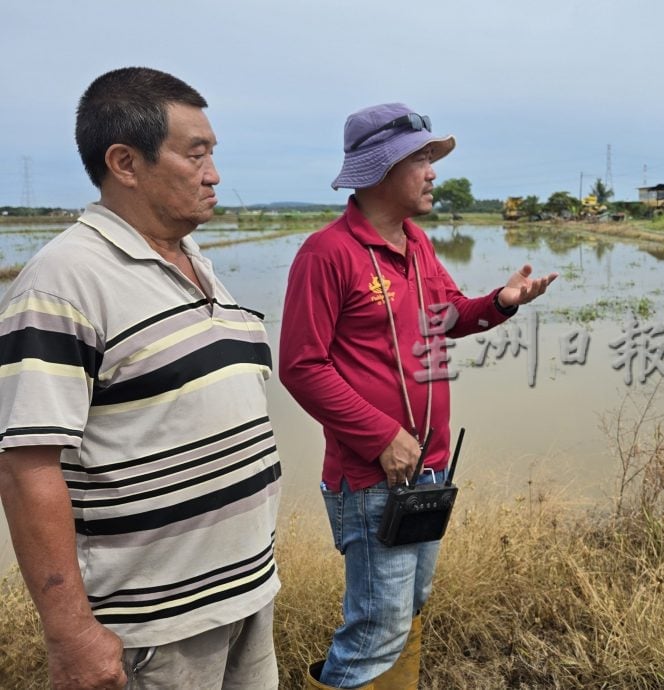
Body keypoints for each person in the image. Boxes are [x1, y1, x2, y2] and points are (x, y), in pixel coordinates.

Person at [0, 67, 282, 689]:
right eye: (196, 154)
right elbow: (27, 466)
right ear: (125, 163)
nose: (214, 174)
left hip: (247, 594)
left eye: (213, 154)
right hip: (155, 628)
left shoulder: (195, 262)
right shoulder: (62, 282)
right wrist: (72, 634)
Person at [280, 102, 556, 689]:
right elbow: (302, 367)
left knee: (409, 609)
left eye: (431, 157)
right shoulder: (327, 254)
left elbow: (448, 315)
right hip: (373, 476)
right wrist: (381, 436)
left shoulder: (418, 245)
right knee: (376, 625)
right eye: (422, 159)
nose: (433, 171)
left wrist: (502, 303)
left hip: (427, 472)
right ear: (382, 169)